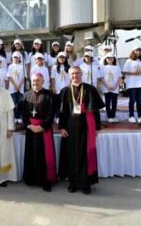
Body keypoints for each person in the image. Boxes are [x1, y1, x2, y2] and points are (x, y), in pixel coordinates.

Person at [58, 66, 105, 194]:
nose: (75, 76)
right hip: (70, 127)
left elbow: (95, 111)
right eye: (72, 74)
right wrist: (61, 128)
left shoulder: (90, 89)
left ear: (81, 74)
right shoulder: (65, 91)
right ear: (69, 75)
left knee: (85, 154)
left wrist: (97, 127)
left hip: (86, 126)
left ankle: (85, 183)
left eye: (77, 73)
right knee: (71, 154)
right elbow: (62, 112)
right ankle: (72, 182)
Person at [18, 73, 57, 191]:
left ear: (43, 81)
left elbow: (51, 113)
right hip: (30, 129)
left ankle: (46, 181)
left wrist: (42, 126)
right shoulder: (25, 96)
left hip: (44, 129)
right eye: (33, 81)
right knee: (31, 154)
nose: (35, 83)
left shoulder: (50, 95)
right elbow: (23, 113)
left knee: (45, 155)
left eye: (38, 81)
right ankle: (31, 179)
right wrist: (29, 125)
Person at [123, 46, 141, 123]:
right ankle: (131, 116)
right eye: (137, 50)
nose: (138, 52)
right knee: (132, 100)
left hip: (140, 83)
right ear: (133, 52)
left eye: (140, 51)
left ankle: (140, 116)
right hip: (132, 84)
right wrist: (134, 73)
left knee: (139, 100)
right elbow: (124, 71)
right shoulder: (129, 61)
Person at [101, 53, 122, 123]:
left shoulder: (117, 67)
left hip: (115, 88)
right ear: (105, 59)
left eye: (111, 58)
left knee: (114, 103)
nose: (109, 59)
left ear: (113, 59)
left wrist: (116, 86)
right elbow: (102, 78)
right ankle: (109, 116)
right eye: (108, 58)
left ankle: (113, 116)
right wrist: (107, 86)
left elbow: (119, 77)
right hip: (106, 87)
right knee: (107, 102)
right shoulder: (103, 67)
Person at [50, 52, 70, 123]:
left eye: (63, 57)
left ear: (65, 59)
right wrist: (53, 87)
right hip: (58, 88)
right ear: (57, 59)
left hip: (66, 88)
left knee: (66, 103)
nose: (61, 59)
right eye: (60, 57)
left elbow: (70, 79)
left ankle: (66, 116)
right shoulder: (54, 68)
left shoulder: (69, 67)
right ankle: (58, 116)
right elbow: (52, 78)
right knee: (58, 103)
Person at [7, 51, 26, 124]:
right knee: (13, 103)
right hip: (12, 88)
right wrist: (15, 85)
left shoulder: (22, 66)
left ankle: (19, 117)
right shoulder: (10, 66)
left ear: (19, 58)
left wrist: (19, 86)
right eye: (14, 57)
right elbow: (9, 77)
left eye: (17, 57)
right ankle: (14, 117)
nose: (16, 59)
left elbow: (24, 77)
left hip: (20, 88)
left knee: (19, 103)